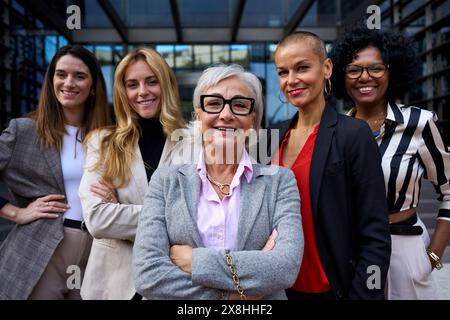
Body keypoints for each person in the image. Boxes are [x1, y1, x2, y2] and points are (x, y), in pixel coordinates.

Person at [133, 64, 303, 300]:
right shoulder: (165, 181)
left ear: (254, 119)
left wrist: (194, 261)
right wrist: (233, 297)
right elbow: (148, 275)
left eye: (240, 105)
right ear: (198, 115)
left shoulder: (280, 182)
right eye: (213, 103)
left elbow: (284, 269)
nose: (226, 114)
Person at [330, 24, 450, 300]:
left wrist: (433, 254)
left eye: (376, 68)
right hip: (351, 249)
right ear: (341, 76)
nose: (365, 77)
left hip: (404, 247)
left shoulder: (419, 123)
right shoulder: (336, 131)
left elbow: (448, 190)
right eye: (354, 69)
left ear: (391, 71)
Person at [271, 31, 391, 300]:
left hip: (335, 290)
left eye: (302, 68)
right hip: (279, 291)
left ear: (326, 68)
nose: (292, 80)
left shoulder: (353, 134)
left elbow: (375, 233)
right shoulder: (272, 138)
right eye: (282, 72)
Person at [0, 45, 111, 299]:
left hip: (97, 250)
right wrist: (16, 212)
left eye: (79, 76)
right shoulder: (24, 131)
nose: (68, 83)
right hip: (42, 250)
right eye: (61, 74)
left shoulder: (109, 136)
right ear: (51, 81)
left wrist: (115, 197)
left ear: (93, 86)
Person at [78, 47, 188, 300]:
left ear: (166, 84)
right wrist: (167, 215)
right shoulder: (102, 142)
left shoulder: (192, 142)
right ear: (123, 91)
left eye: (152, 81)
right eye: (132, 84)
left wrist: (121, 214)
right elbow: (96, 219)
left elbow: (198, 220)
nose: (142, 92)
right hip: (113, 285)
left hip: (173, 283)